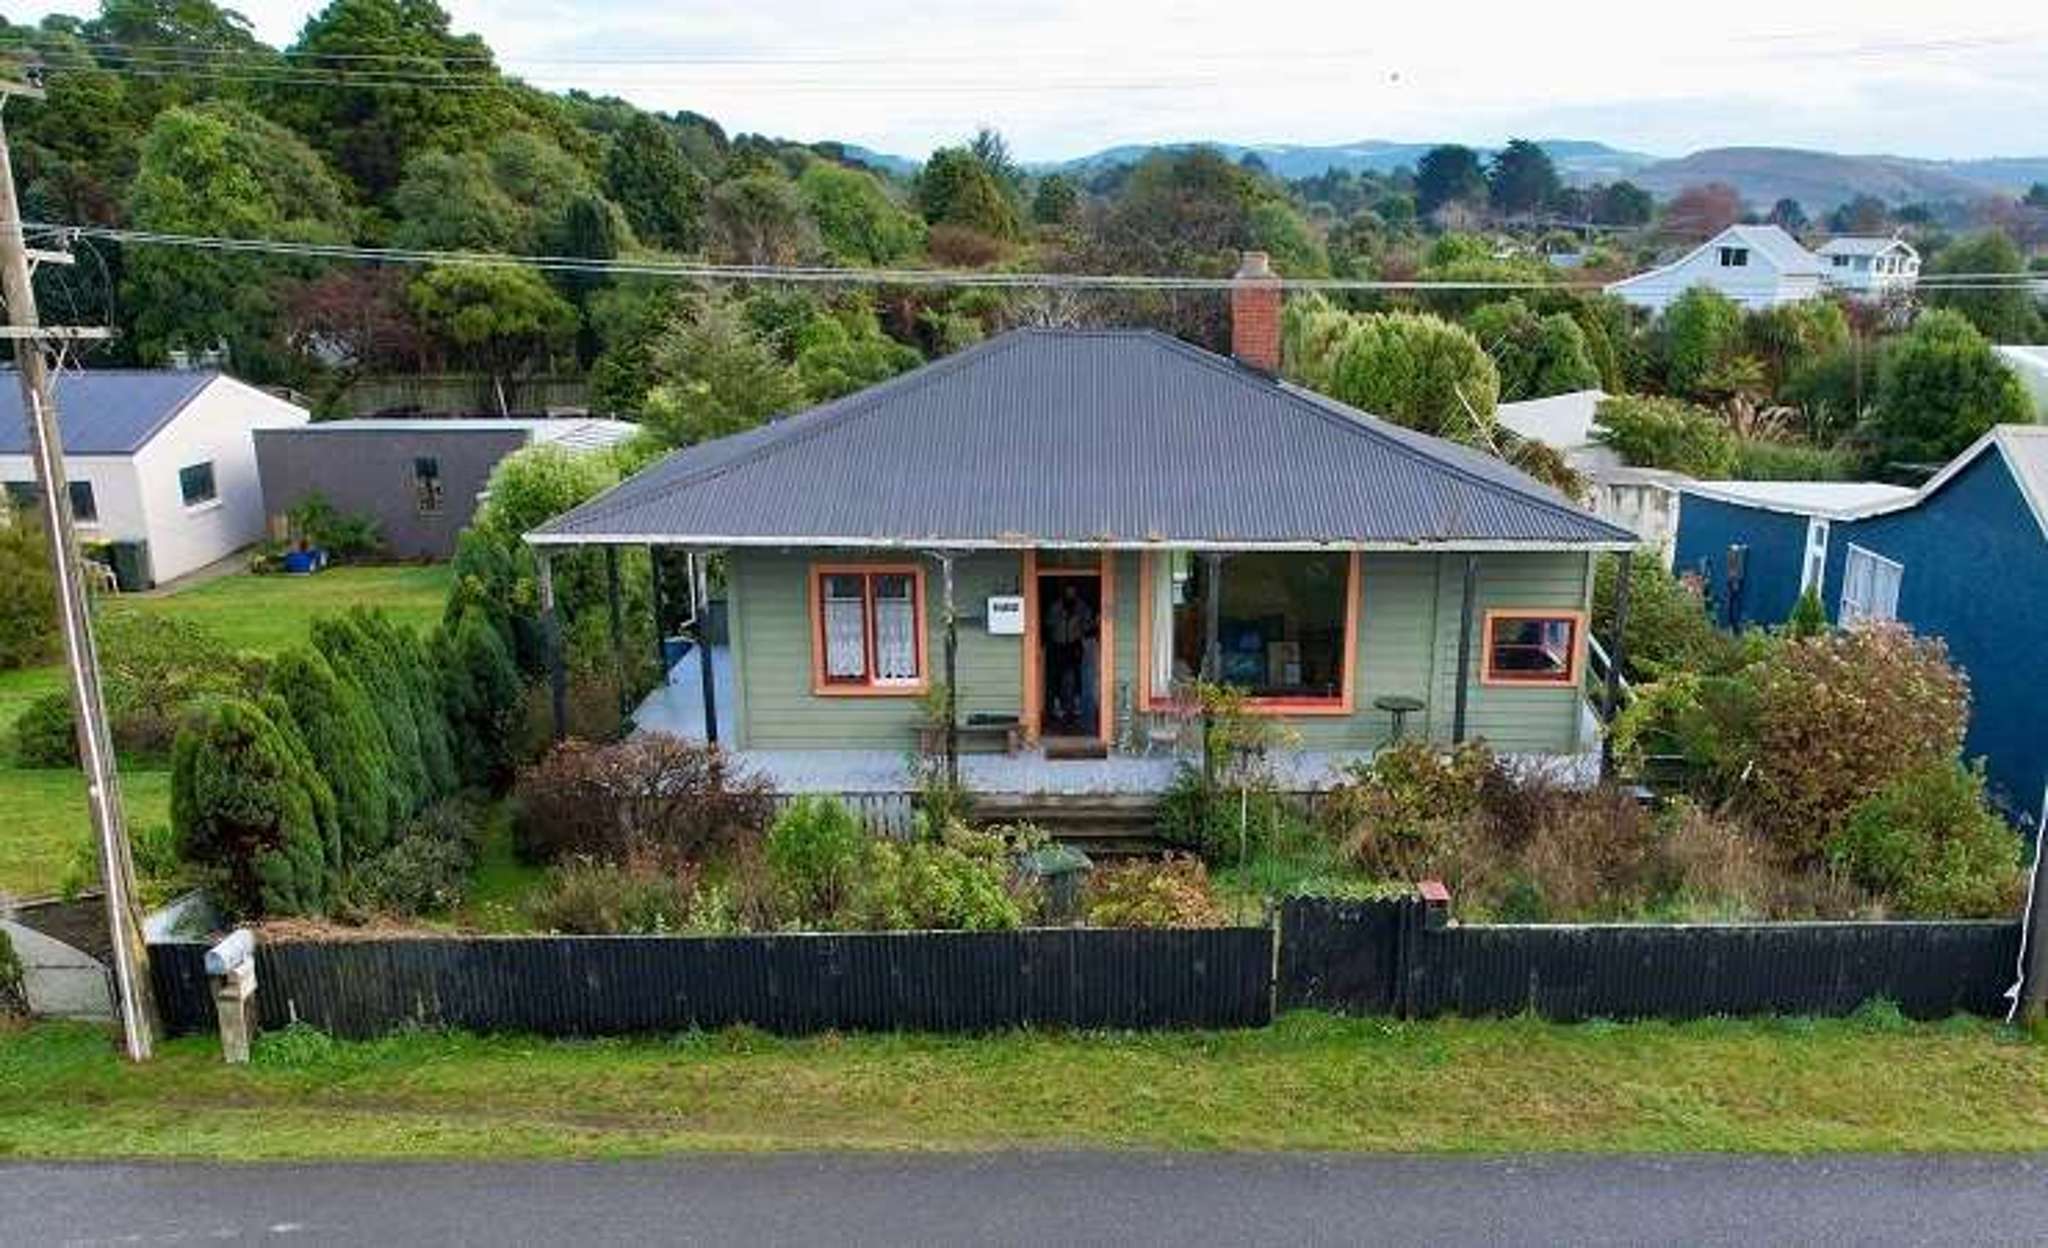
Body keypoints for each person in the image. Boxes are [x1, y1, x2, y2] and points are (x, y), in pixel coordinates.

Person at [1044, 582, 1096, 731]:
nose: (1070, 594)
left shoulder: (1082, 607)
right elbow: (1047, 622)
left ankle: (1073, 709)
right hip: (1057, 645)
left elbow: (1089, 625)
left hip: (1074, 645)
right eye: (1068, 591)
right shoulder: (1055, 606)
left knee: (1074, 679)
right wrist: (1060, 617)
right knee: (1055, 678)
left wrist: (1082, 623)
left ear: (1076, 592)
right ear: (1064, 592)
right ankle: (1055, 710)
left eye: (1072, 591)